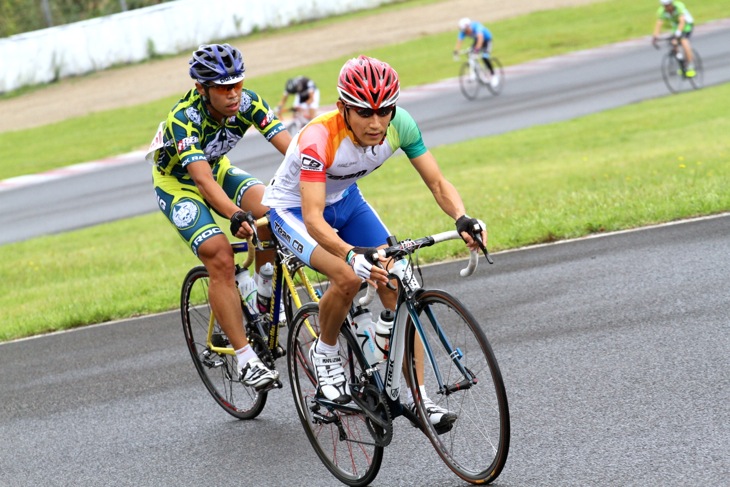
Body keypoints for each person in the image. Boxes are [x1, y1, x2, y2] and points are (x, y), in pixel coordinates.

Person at [262, 55, 487, 429]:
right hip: (295, 210)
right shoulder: (318, 138)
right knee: (348, 277)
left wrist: (462, 217)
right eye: (365, 112)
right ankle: (326, 352)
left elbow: (437, 182)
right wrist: (350, 255)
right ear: (342, 109)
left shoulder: (401, 125)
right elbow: (314, 218)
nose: (376, 122)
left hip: (347, 202)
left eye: (385, 111)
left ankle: (417, 396)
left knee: (400, 283)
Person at [148, 43, 292, 390]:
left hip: (219, 168)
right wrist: (234, 214)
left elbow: (293, 149)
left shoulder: (248, 102)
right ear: (201, 88)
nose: (233, 95)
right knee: (220, 254)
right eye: (223, 88)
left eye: (238, 84)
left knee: (274, 213)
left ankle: (262, 292)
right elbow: (202, 182)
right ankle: (245, 359)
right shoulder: (182, 118)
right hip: (179, 185)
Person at [652, 0, 696, 77]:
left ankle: (690, 66)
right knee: (673, 43)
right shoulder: (662, 11)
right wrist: (655, 36)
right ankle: (681, 63)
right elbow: (659, 23)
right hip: (676, 25)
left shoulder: (678, 6)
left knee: (684, 41)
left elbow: (682, 21)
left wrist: (678, 34)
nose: (667, 8)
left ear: (671, 3)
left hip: (686, 24)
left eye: (668, 5)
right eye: (665, 6)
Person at [453, 17, 499, 88]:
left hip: (486, 40)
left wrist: (477, 50)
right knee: (470, 54)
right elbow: (459, 41)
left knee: (484, 57)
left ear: (468, 27)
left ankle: (493, 75)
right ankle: (476, 73)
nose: (465, 32)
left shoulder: (477, 26)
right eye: (463, 31)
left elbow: (481, 38)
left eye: (465, 30)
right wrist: (456, 51)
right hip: (477, 41)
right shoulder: (463, 31)